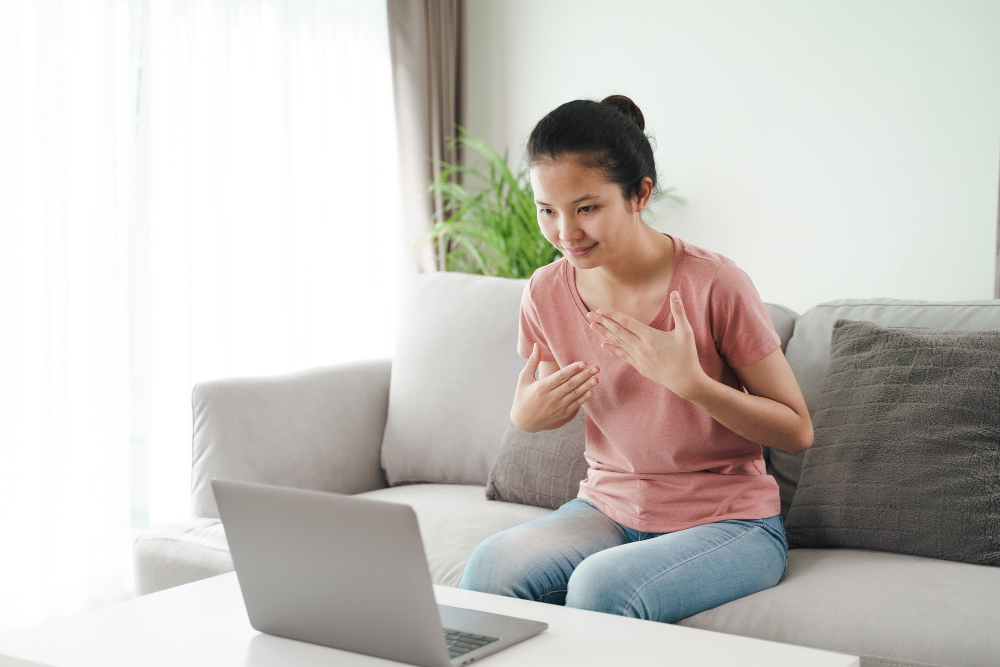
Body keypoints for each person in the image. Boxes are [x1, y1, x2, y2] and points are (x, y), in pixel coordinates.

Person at [458, 94, 815, 624]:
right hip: (609, 508)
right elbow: (552, 398)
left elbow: (797, 431)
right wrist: (527, 416)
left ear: (640, 193)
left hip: (731, 523)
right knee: (490, 568)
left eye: (586, 208)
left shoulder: (715, 283)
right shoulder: (545, 293)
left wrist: (692, 383)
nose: (565, 232)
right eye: (547, 211)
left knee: (602, 589)